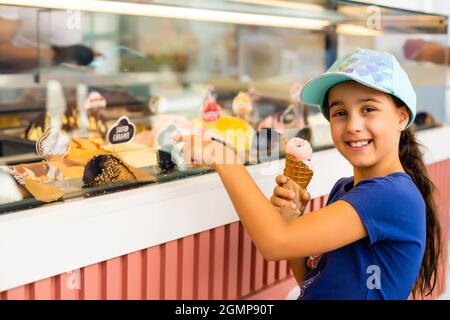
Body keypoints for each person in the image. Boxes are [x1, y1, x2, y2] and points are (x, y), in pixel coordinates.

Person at [176, 48, 441, 299]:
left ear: (401, 117)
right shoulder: (345, 189)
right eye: (340, 113)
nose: (353, 125)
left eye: (368, 109)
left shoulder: (391, 195)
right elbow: (313, 282)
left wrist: (222, 157)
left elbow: (274, 243)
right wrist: (290, 219)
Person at [0, 5, 94, 73]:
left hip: (56, 82)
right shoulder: (22, 5)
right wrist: (59, 54)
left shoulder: (78, 7)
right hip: (17, 80)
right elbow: (2, 52)